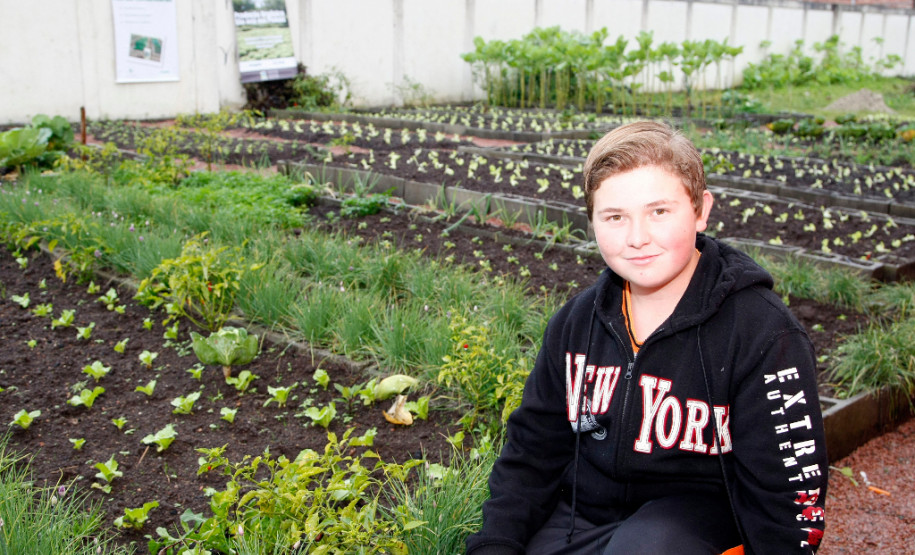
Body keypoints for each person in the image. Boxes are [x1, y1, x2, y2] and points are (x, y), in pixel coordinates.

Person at [465, 121, 827, 554]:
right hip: (583, 519)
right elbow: (532, 452)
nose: (637, 238)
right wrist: (496, 543)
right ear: (592, 222)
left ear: (701, 209)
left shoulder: (762, 334)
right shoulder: (577, 323)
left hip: (697, 531)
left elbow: (787, 496)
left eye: (659, 212)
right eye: (615, 217)